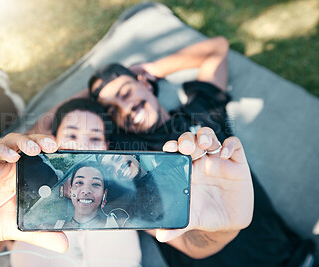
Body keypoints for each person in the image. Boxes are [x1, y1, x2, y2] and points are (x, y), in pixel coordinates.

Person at [0, 96, 254, 266]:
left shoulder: (133, 197)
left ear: (107, 148)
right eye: (71, 134)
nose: (83, 143)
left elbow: (197, 247)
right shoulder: (16, 199)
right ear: (50, 140)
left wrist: (225, 226)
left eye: (95, 136)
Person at [88, 37, 312, 265]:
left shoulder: (200, 112)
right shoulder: (124, 153)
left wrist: (151, 69)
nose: (125, 108)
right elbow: (63, 122)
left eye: (126, 93)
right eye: (111, 109)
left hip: (290, 256)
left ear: (145, 84)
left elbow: (217, 48)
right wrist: (95, 96)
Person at [64, 161, 108, 229]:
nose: (86, 191)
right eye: (79, 182)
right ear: (70, 190)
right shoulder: (48, 229)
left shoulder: (121, 225)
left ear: (104, 194)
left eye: (96, 184)